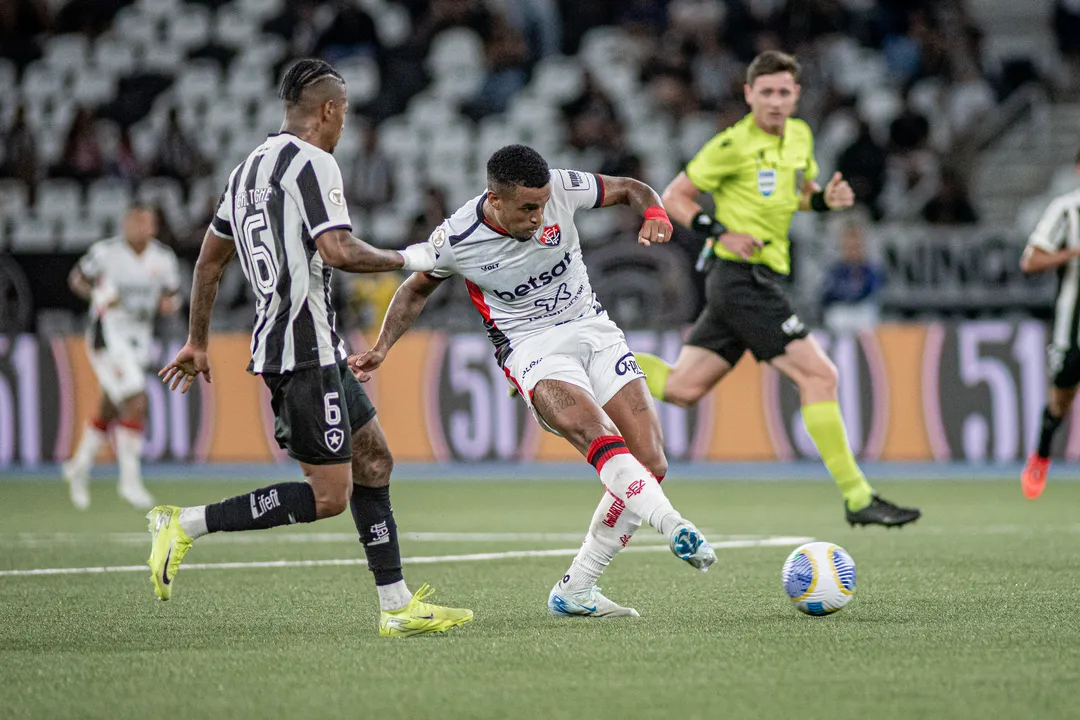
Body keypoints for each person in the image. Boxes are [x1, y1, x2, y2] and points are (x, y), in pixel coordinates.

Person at [152, 58, 471, 638]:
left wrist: (199, 339)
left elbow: (208, 262)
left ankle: (396, 605)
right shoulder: (313, 162)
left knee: (375, 459)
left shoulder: (245, 171)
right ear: (328, 110)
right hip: (301, 353)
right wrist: (411, 257)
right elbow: (340, 251)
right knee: (329, 496)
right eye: (344, 111)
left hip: (313, 348)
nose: (344, 122)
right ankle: (185, 523)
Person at [349, 144, 717, 619]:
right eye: (527, 208)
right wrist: (381, 347)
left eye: (543, 204)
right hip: (532, 349)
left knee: (651, 462)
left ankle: (576, 589)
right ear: (495, 200)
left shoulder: (561, 187)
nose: (540, 215)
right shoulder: (457, 238)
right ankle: (675, 525)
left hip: (594, 329)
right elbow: (414, 289)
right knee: (601, 438)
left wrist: (653, 209)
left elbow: (629, 188)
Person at [633, 50, 921, 527]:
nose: (774, 101)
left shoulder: (801, 137)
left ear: (796, 95)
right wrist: (719, 231)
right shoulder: (731, 145)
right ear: (749, 95)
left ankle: (592, 364)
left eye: (783, 92)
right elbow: (674, 196)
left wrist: (825, 201)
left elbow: (799, 193)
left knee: (683, 389)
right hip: (742, 278)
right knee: (819, 376)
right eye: (765, 92)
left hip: (748, 281)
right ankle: (857, 496)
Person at [63, 204, 181, 511]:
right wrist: (97, 295)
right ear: (125, 223)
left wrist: (171, 304)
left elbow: (172, 294)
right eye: (135, 221)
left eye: (146, 222)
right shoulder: (106, 254)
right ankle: (130, 482)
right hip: (107, 336)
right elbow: (76, 279)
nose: (140, 227)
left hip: (138, 339)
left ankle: (78, 466)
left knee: (110, 405)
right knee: (136, 399)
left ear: (154, 227)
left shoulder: (163, 259)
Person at [1019, 149, 1080, 499]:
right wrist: (1072, 253)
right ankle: (1041, 455)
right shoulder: (1067, 209)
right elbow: (1031, 260)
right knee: (1060, 402)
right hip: (1072, 327)